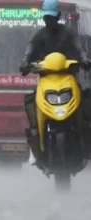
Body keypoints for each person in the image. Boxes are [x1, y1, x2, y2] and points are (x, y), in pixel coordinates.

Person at [19, 0, 90, 168]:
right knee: (30, 103)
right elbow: (29, 50)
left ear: (57, 16)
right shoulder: (38, 36)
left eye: (51, 17)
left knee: (86, 100)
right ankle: (35, 148)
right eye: (46, 18)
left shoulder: (68, 34)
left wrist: (84, 58)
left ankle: (86, 142)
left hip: (68, 77)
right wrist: (25, 62)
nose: (49, 21)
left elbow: (79, 47)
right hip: (46, 80)